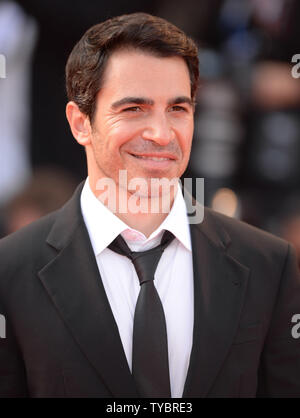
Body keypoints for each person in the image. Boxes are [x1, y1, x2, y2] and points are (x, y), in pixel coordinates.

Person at [0, 13, 299, 398]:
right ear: (80, 123)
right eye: (133, 109)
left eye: (178, 109)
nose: (161, 134)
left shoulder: (268, 266)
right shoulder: (10, 274)